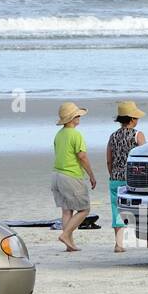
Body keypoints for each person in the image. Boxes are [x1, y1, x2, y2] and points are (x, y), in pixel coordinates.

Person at [52, 102, 98, 252]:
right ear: (72, 118)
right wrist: (91, 175)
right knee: (84, 209)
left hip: (57, 176)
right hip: (71, 176)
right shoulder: (75, 134)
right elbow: (82, 157)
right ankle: (65, 235)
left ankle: (69, 244)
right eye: (78, 115)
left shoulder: (59, 134)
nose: (79, 118)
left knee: (67, 210)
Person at [107, 100, 146, 253]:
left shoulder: (113, 136)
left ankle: (119, 244)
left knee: (116, 209)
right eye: (136, 117)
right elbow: (143, 157)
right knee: (143, 208)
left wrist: (113, 174)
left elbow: (109, 159)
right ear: (131, 119)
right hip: (133, 178)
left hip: (116, 177)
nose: (138, 120)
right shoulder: (138, 135)